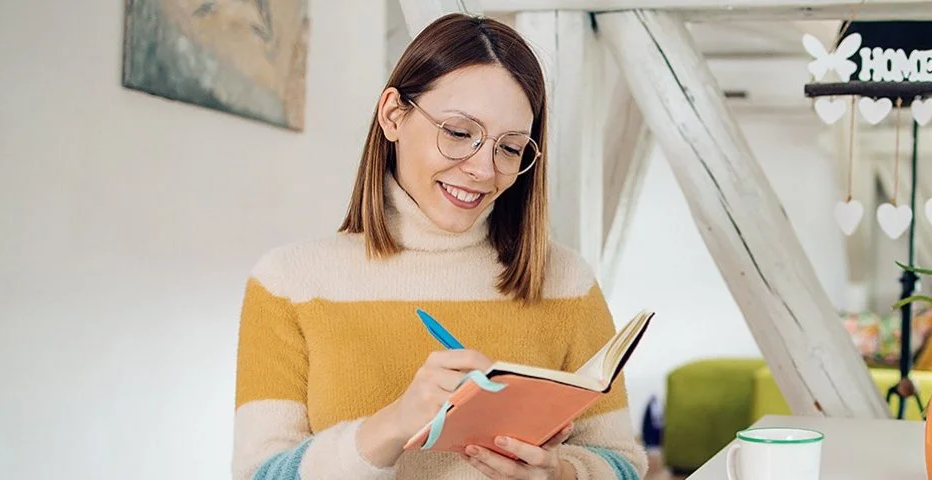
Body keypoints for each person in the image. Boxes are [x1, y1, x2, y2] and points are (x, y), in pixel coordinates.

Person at [231, 13, 648, 480]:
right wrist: (391, 426)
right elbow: (258, 475)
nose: (484, 170)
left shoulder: (565, 282)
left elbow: (625, 466)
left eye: (510, 148)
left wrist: (558, 474)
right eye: (458, 133)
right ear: (393, 115)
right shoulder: (288, 283)